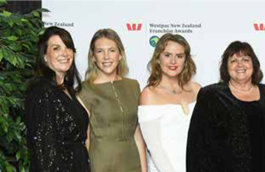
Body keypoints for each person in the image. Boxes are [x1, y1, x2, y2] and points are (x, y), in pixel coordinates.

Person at [187, 41, 265, 171]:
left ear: (254, 64)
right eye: (233, 60)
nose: (240, 65)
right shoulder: (211, 96)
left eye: (245, 59)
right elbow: (197, 147)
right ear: (226, 67)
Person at [78, 28, 146, 172]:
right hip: (101, 164)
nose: (106, 57)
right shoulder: (85, 90)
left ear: (120, 55)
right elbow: (86, 138)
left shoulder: (133, 86)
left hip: (132, 163)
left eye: (112, 50)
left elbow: (137, 134)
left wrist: (144, 169)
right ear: (93, 57)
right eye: (100, 51)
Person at [24, 26, 90, 172]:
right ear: (45, 56)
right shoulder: (42, 91)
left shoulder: (67, 89)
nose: (64, 53)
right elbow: (45, 152)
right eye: (56, 48)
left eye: (68, 47)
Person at [138, 33, 201, 172]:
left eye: (179, 56)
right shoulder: (149, 94)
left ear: (185, 60)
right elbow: (155, 148)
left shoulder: (196, 89)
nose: (173, 61)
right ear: (158, 59)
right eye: (167, 55)